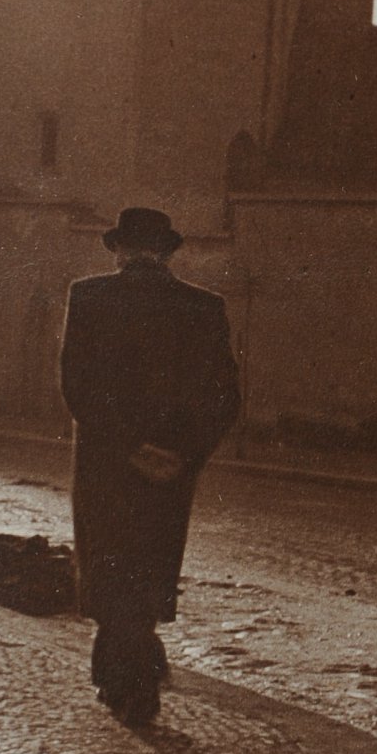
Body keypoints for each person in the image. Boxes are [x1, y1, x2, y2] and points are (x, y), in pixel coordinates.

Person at [59, 208, 241, 726]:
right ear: (165, 252)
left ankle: (127, 680)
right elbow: (224, 396)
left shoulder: (88, 296)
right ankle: (130, 672)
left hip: (105, 462)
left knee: (108, 563)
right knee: (149, 564)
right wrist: (184, 453)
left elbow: (77, 386)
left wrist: (127, 446)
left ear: (120, 251)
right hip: (170, 470)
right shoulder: (203, 307)